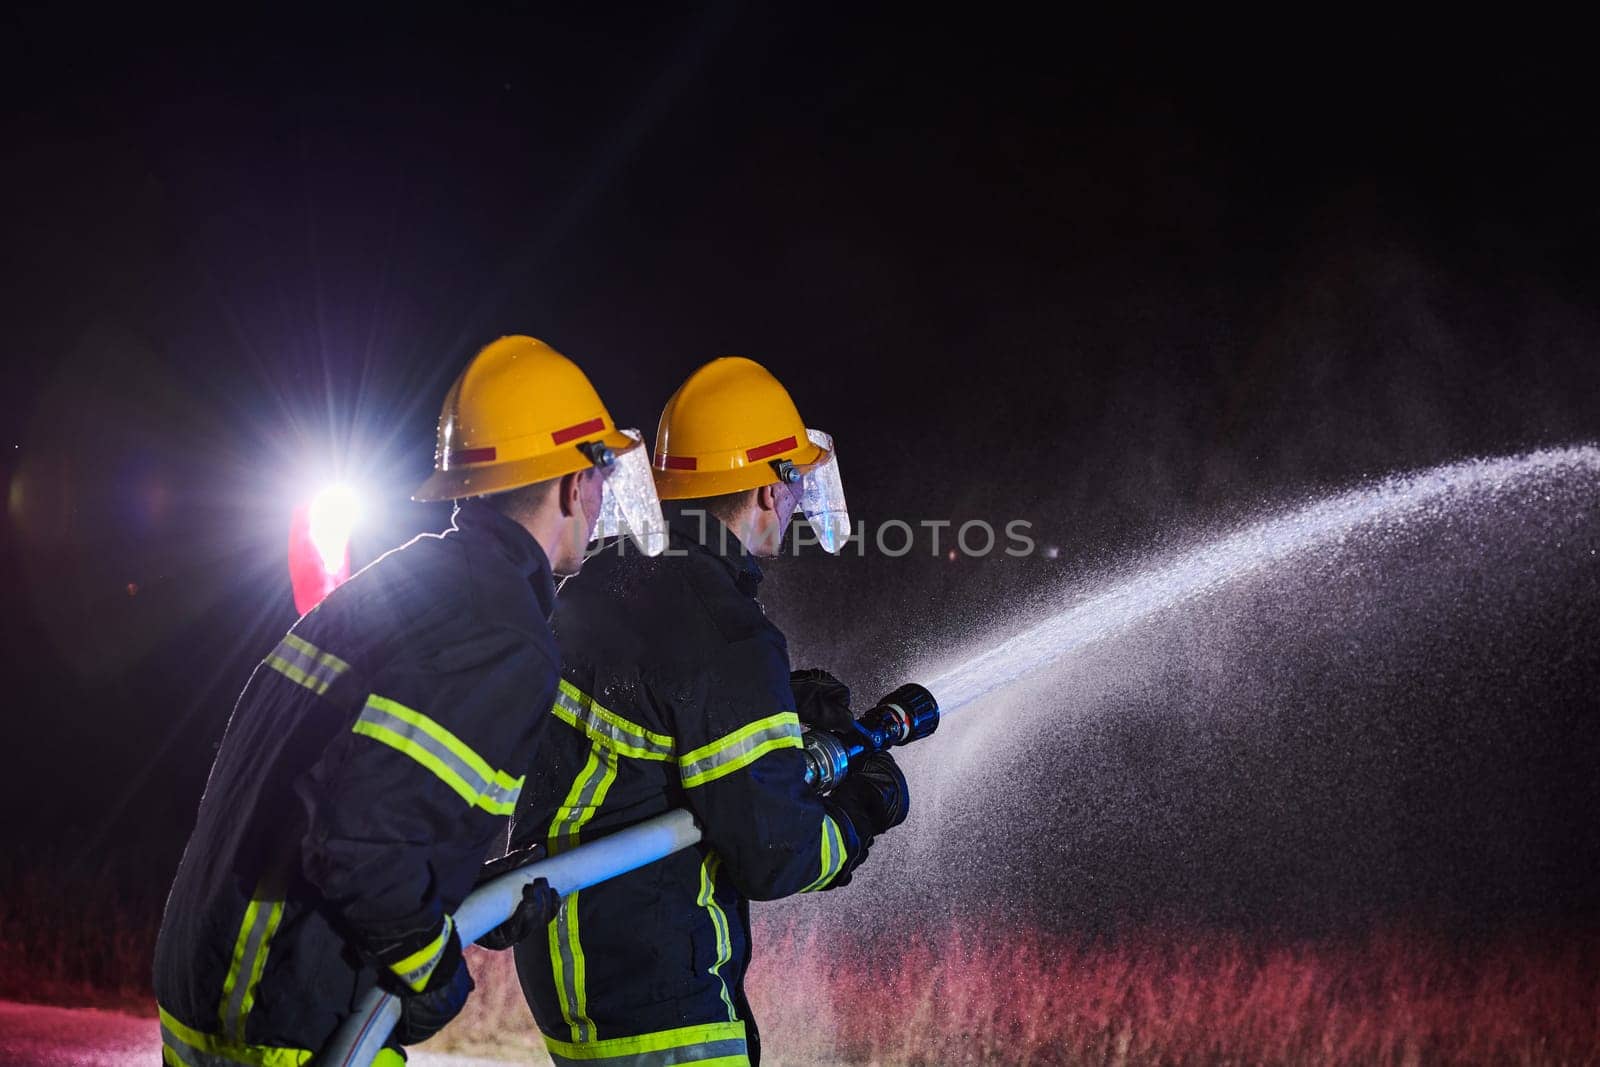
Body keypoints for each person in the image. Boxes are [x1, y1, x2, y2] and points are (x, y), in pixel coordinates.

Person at [153, 336, 664, 1067]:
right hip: (287, 1014)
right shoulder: (504, 634)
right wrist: (432, 967)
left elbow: (343, 798)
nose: (602, 495)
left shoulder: (411, 580)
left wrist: (464, 896)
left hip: (219, 988)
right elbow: (357, 838)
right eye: (600, 471)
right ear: (571, 484)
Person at [509, 356, 910, 1067]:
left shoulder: (608, 577)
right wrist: (861, 811)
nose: (793, 508)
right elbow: (776, 851)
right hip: (661, 994)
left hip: (577, 970)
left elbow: (653, 723)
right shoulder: (725, 629)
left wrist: (775, 696)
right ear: (766, 488)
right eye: (793, 484)